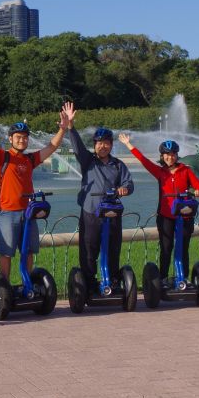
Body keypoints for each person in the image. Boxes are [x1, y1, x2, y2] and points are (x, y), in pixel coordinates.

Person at [0, 111, 67, 281]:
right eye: (18, 137)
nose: (22, 140)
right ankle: (4, 286)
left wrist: (62, 129)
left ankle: (27, 283)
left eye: (25, 137)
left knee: (28, 251)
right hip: (7, 212)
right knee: (6, 252)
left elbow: (51, 147)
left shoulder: (30, 159)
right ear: (10, 139)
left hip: (28, 212)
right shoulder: (2, 157)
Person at [62, 102, 134, 293]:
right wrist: (70, 126)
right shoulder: (88, 162)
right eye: (99, 143)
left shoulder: (118, 165)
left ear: (111, 145)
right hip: (91, 212)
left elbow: (129, 183)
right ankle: (89, 282)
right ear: (94, 145)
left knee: (113, 248)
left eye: (107, 143)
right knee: (88, 249)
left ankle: (111, 280)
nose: (103, 146)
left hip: (112, 212)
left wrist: (124, 189)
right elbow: (77, 147)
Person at [119, 133, 199, 283]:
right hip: (165, 216)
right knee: (166, 247)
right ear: (162, 156)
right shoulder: (160, 172)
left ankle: (183, 277)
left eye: (172, 154)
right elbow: (143, 160)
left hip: (184, 216)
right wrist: (128, 144)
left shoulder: (186, 170)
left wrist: (198, 191)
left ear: (177, 155)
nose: (169, 157)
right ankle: (163, 278)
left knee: (183, 247)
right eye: (166, 155)